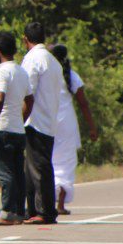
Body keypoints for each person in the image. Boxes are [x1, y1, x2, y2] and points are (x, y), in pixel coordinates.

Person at [0, 32, 29, 226]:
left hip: (3, 128)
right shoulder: (21, 71)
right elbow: (30, 99)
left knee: (5, 173)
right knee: (18, 172)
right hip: (18, 129)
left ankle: (6, 213)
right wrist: (20, 118)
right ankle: (19, 211)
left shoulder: (2, 72)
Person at [21, 23, 64, 225]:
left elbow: (26, 92)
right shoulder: (52, 60)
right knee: (36, 168)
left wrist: (19, 119)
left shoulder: (33, 58)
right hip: (49, 119)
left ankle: (44, 211)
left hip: (35, 120)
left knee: (38, 168)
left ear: (25, 39)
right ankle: (35, 209)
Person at [50, 44, 98, 215]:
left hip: (49, 122)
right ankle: (60, 205)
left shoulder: (47, 76)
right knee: (66, 163)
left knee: (50, 161)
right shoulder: (72, 76)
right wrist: (92, 127)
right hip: (67, 123)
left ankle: (47, 203)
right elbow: (83, 104)